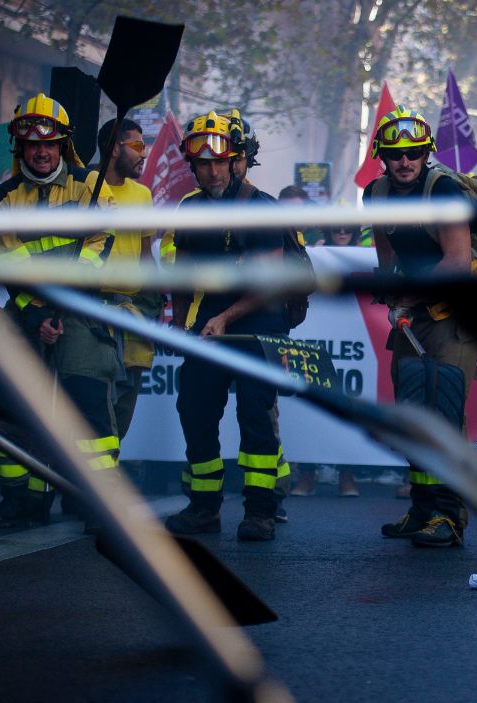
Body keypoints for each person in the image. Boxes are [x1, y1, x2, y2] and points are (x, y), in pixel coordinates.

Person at [0, 93, 120, 530]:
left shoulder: (91, 188)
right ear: (19, 148)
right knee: (13, 409)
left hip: (80, 311)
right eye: (32, 144)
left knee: (87, 406)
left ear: (63, 145)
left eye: (50, 143)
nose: (41, 151)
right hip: (23, 314)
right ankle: (21, 500)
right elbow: (7, 265)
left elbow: (101, 243)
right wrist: (37, 314)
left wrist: (67, 292)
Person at [163, 111, 292, 542]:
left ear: (236, 160)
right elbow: (182, 275)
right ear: (193, 166)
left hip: (259, 325)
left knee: (255, 417)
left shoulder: (262, 209)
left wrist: (221, 318)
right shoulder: (191, 211)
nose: (213, 171)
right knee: (194, 410)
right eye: (203, 163)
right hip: (210, 327)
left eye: (220, 161)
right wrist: (180, 324)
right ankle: (204, 508)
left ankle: (260, 512)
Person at [361, 105, 477, 548]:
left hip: (451, 318)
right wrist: (390, 289)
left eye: (413, 153)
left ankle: (450, 518)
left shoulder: (444, 189)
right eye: (395, 154)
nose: (405, 162)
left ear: (426, 153)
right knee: (414, 412)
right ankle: (423, 508)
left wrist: (410, 296)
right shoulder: (375, 193)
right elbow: (386, 248)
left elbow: (456, 260)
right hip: (411, 317)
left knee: (444, 413)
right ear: (383, 156)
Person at [95, 118, 160, 446]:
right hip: (90, 313)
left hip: (131, 315)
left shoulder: (143, 194)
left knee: (123, 404)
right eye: (136, 145)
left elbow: (147, 256)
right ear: (114, 147)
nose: (143, 153)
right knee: (94, 401)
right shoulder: (86, 186)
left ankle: (108, 469)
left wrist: (154, 306)